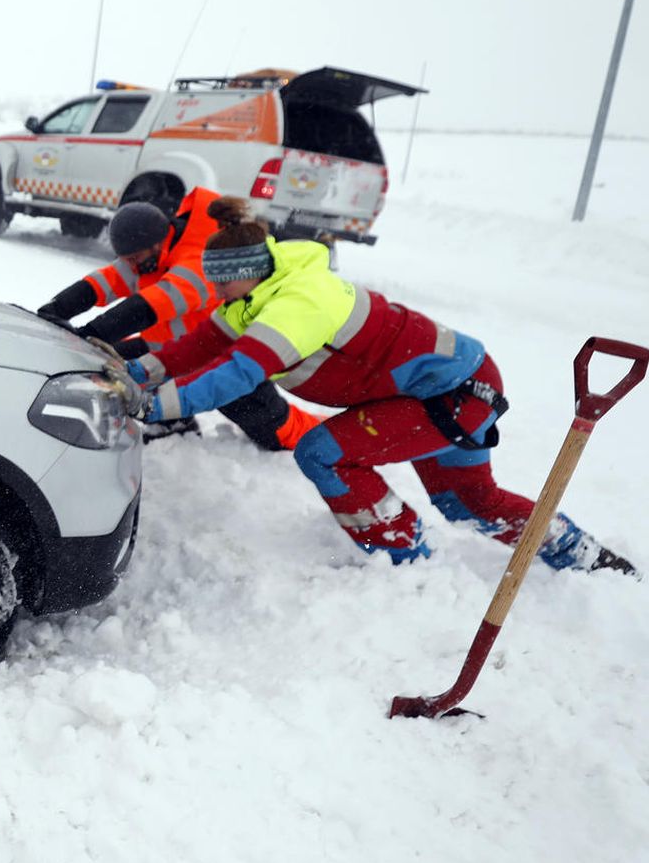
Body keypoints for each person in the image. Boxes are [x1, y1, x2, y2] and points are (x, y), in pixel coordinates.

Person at [128, 195, 636, 574]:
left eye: (222, 281)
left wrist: (152, 406)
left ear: (247, 271)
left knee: (323, 452)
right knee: (466, 500)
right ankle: (584, 560)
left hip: (456, 392)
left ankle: (406, 560)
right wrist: (137, 373)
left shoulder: (299, 303)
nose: (216, 291)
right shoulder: (253, 299)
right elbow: (197, 346)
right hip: (435, 386)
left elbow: (237, 374)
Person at [38, 182, 320, 450]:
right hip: (175, 350)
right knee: (102, 362)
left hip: (225, 357)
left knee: (277, 432)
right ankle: (173, 423)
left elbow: (151, 306)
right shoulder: (150, 253)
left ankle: (331, 437)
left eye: (134, 259)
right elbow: (105, 281)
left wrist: (89, 333)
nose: (130, 265)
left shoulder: (199, 260)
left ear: (159, 242)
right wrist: (57, 309)